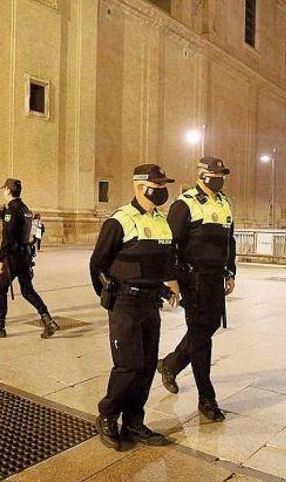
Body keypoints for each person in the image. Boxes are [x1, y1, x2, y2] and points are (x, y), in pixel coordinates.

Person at [89, 164, 181, 451]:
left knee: (145, 367)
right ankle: (107, 414)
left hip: (149, 303)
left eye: (164, 183)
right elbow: (97, 264)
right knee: (128, 365)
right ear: (139, 186)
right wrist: (110, 301)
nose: (162, 189)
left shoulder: (161, 221)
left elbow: (161, 261)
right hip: (125, 303)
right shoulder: (120, 221)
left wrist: (166, 287)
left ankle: (134, 421)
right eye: (157, 184)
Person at [156, 157, 236, 422]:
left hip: (215, 278)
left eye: (222, 174)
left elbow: (229, 240)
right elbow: (169, 244)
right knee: (202, 335)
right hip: (193, 279)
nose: (220, 177)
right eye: (216, 174)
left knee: (205, 329)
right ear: (202, 175)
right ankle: (207, 398)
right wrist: (171, 279)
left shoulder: (224, 202)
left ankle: (171, 364)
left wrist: (231, 271)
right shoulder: (185, 204)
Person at [0, 178, 60, 339]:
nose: (3, 192)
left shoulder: (12, 210)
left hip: (12, 257)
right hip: (24, 255)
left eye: (5, 190)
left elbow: (8, 238)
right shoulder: (25, 209)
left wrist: (0, 259)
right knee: (27, 290)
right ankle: (48, 320)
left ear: (9, 191)